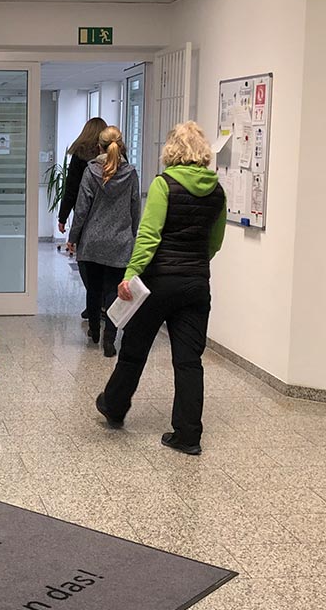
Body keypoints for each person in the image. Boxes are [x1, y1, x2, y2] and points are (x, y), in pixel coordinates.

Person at [95, 121, 226, 456]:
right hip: (196, 283)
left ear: (173, 150)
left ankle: (114, 406)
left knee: (135, 349)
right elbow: (215, 242)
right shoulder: (217, 191)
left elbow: (149, 236)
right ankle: (188, 435)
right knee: (189, 360)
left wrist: (130, 274)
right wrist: (193, 264)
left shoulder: (164, 184)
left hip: (159, 283)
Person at [68, 126, 140, 358]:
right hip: (120, 241)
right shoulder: (131, 174)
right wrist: (132, 235)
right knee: (113, 291)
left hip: (93, 241)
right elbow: (135, 208)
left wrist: (73, 238)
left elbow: (81, 210)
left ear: (98, 147)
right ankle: (110, 338)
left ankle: (94, 331)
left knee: (94, 288)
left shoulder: (91, 171)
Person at [58, 117, 107, 320]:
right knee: (108, 265)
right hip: (112, 218)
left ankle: (95, 303)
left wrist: (63, 217)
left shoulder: (79, 156)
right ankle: (102, 304)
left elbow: (71, 189)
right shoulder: (118, 157)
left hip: (86, 216)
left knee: (86, 262)